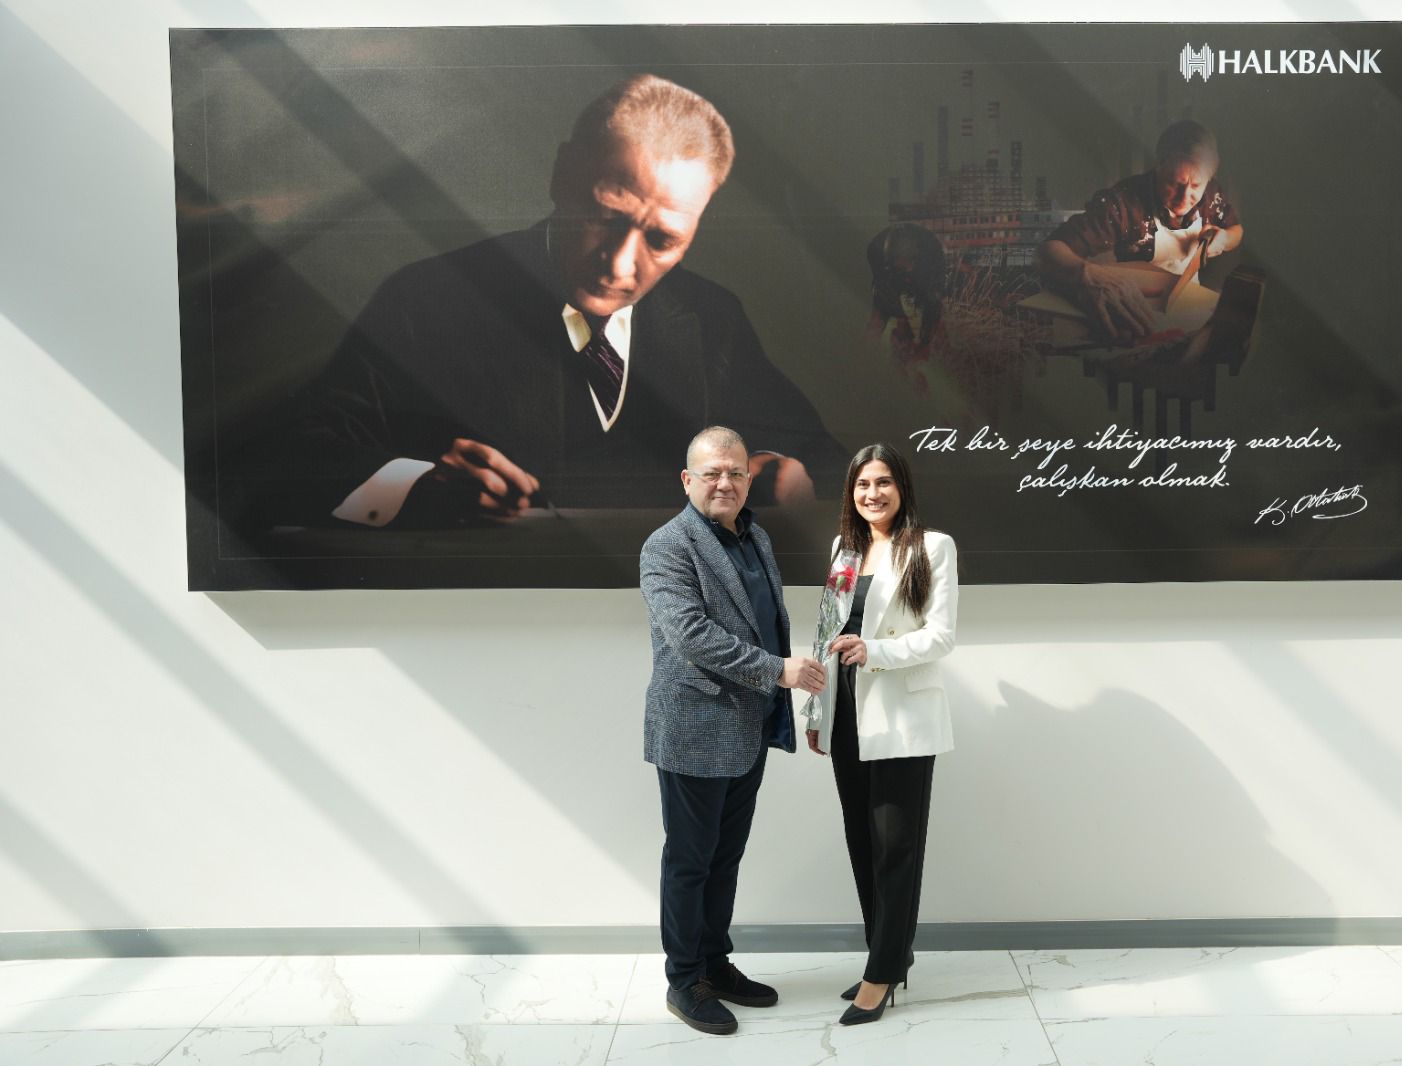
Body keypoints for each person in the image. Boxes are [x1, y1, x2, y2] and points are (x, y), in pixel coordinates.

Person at [251, 74, 842, 528]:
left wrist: (784, 475)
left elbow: (830, 464)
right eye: (605, 216)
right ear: (562, 176)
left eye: (662, 240)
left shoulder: (712, 318)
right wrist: (417, 485)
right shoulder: (426, 299)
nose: (619, 265)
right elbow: (285, 460)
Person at [640, 425, 826, 1036]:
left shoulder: (755, 536)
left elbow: (766, 619)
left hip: (748, 725)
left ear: (749, 479)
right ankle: (684, 979)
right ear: (687, 480)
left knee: (725, 858)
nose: (725, 482)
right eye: (712, 472)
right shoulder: (667, 546)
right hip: (693, 729)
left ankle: (715, 965)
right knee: (690, 861)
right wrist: (779, 671)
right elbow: (692, 636)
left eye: (736, 472)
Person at [804, 442, 958, 1026]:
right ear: (851, 492)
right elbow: (827, 632)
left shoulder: (932, 547)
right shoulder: (844, 549)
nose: (873, 493)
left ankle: (881, 973)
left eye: (884, 482)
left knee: (896, 847)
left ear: (902, 487)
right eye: (863, 484)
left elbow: (941, 636)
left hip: (901, 715)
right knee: (861, 840)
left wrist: (876, 651)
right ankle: (887, 957)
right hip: (845, 709)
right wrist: (816, 713)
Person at [1036, 119, 1244, 345]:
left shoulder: (1211, 195)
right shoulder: (1123, 203)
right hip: (1137, 307)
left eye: (1195, 186)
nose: (1184, 198)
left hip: (1189, 305)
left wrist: (1224, 239)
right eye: (1174, 183)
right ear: (1159, 166)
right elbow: (1048, 250)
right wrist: (1087, 274)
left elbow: (1236, 230)